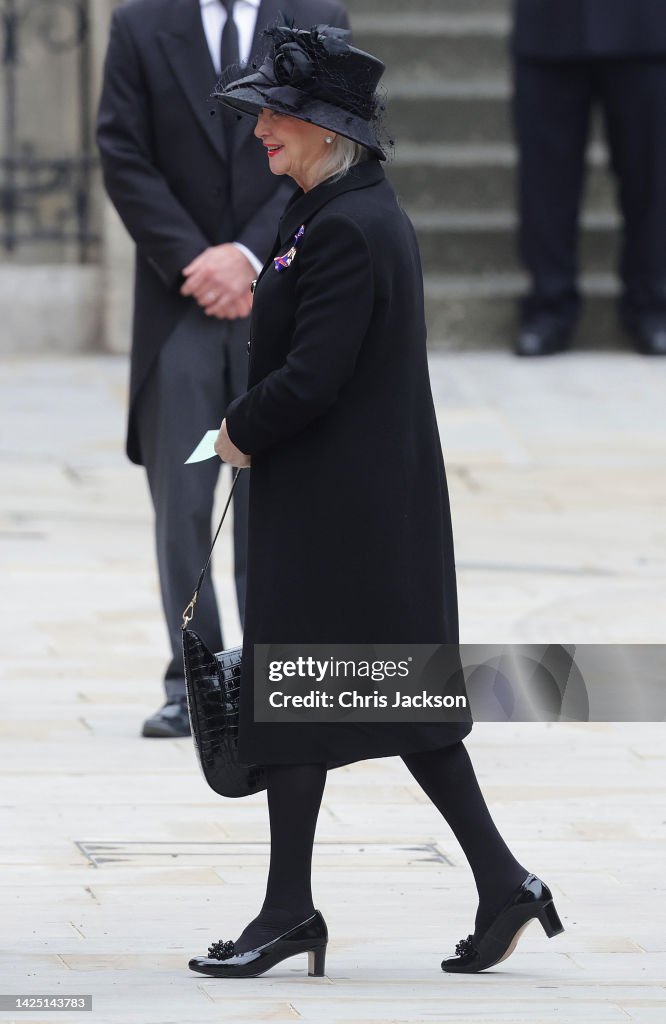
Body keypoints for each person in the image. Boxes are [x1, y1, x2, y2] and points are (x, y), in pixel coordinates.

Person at [184, 24, 565, 978]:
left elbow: (313, 378)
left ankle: (300, 911)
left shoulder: (350, 225)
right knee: (356, 704)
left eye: (279, 114)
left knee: (338, 700)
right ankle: (483, 885)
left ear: (326, 130)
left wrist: (239, 428)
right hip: (339, 511)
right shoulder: (322, 210)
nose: (262, 128)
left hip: (342, 521)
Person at [96, 0, 350, 738]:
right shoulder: (139, 24)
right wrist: (196, 261)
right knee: (182, 497)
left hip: (281, 286)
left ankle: (272, 675)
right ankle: (193, 679)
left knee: (275, 488)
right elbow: (122, 150)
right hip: (178, 297)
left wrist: (245, 255)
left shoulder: (317, 14)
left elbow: (329, 141)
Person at [512, 0, 666, 356]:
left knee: (653, 178)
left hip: (648, 26)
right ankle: (549, 302)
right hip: (549, 25)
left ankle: (653, 303)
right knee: (545, 181)